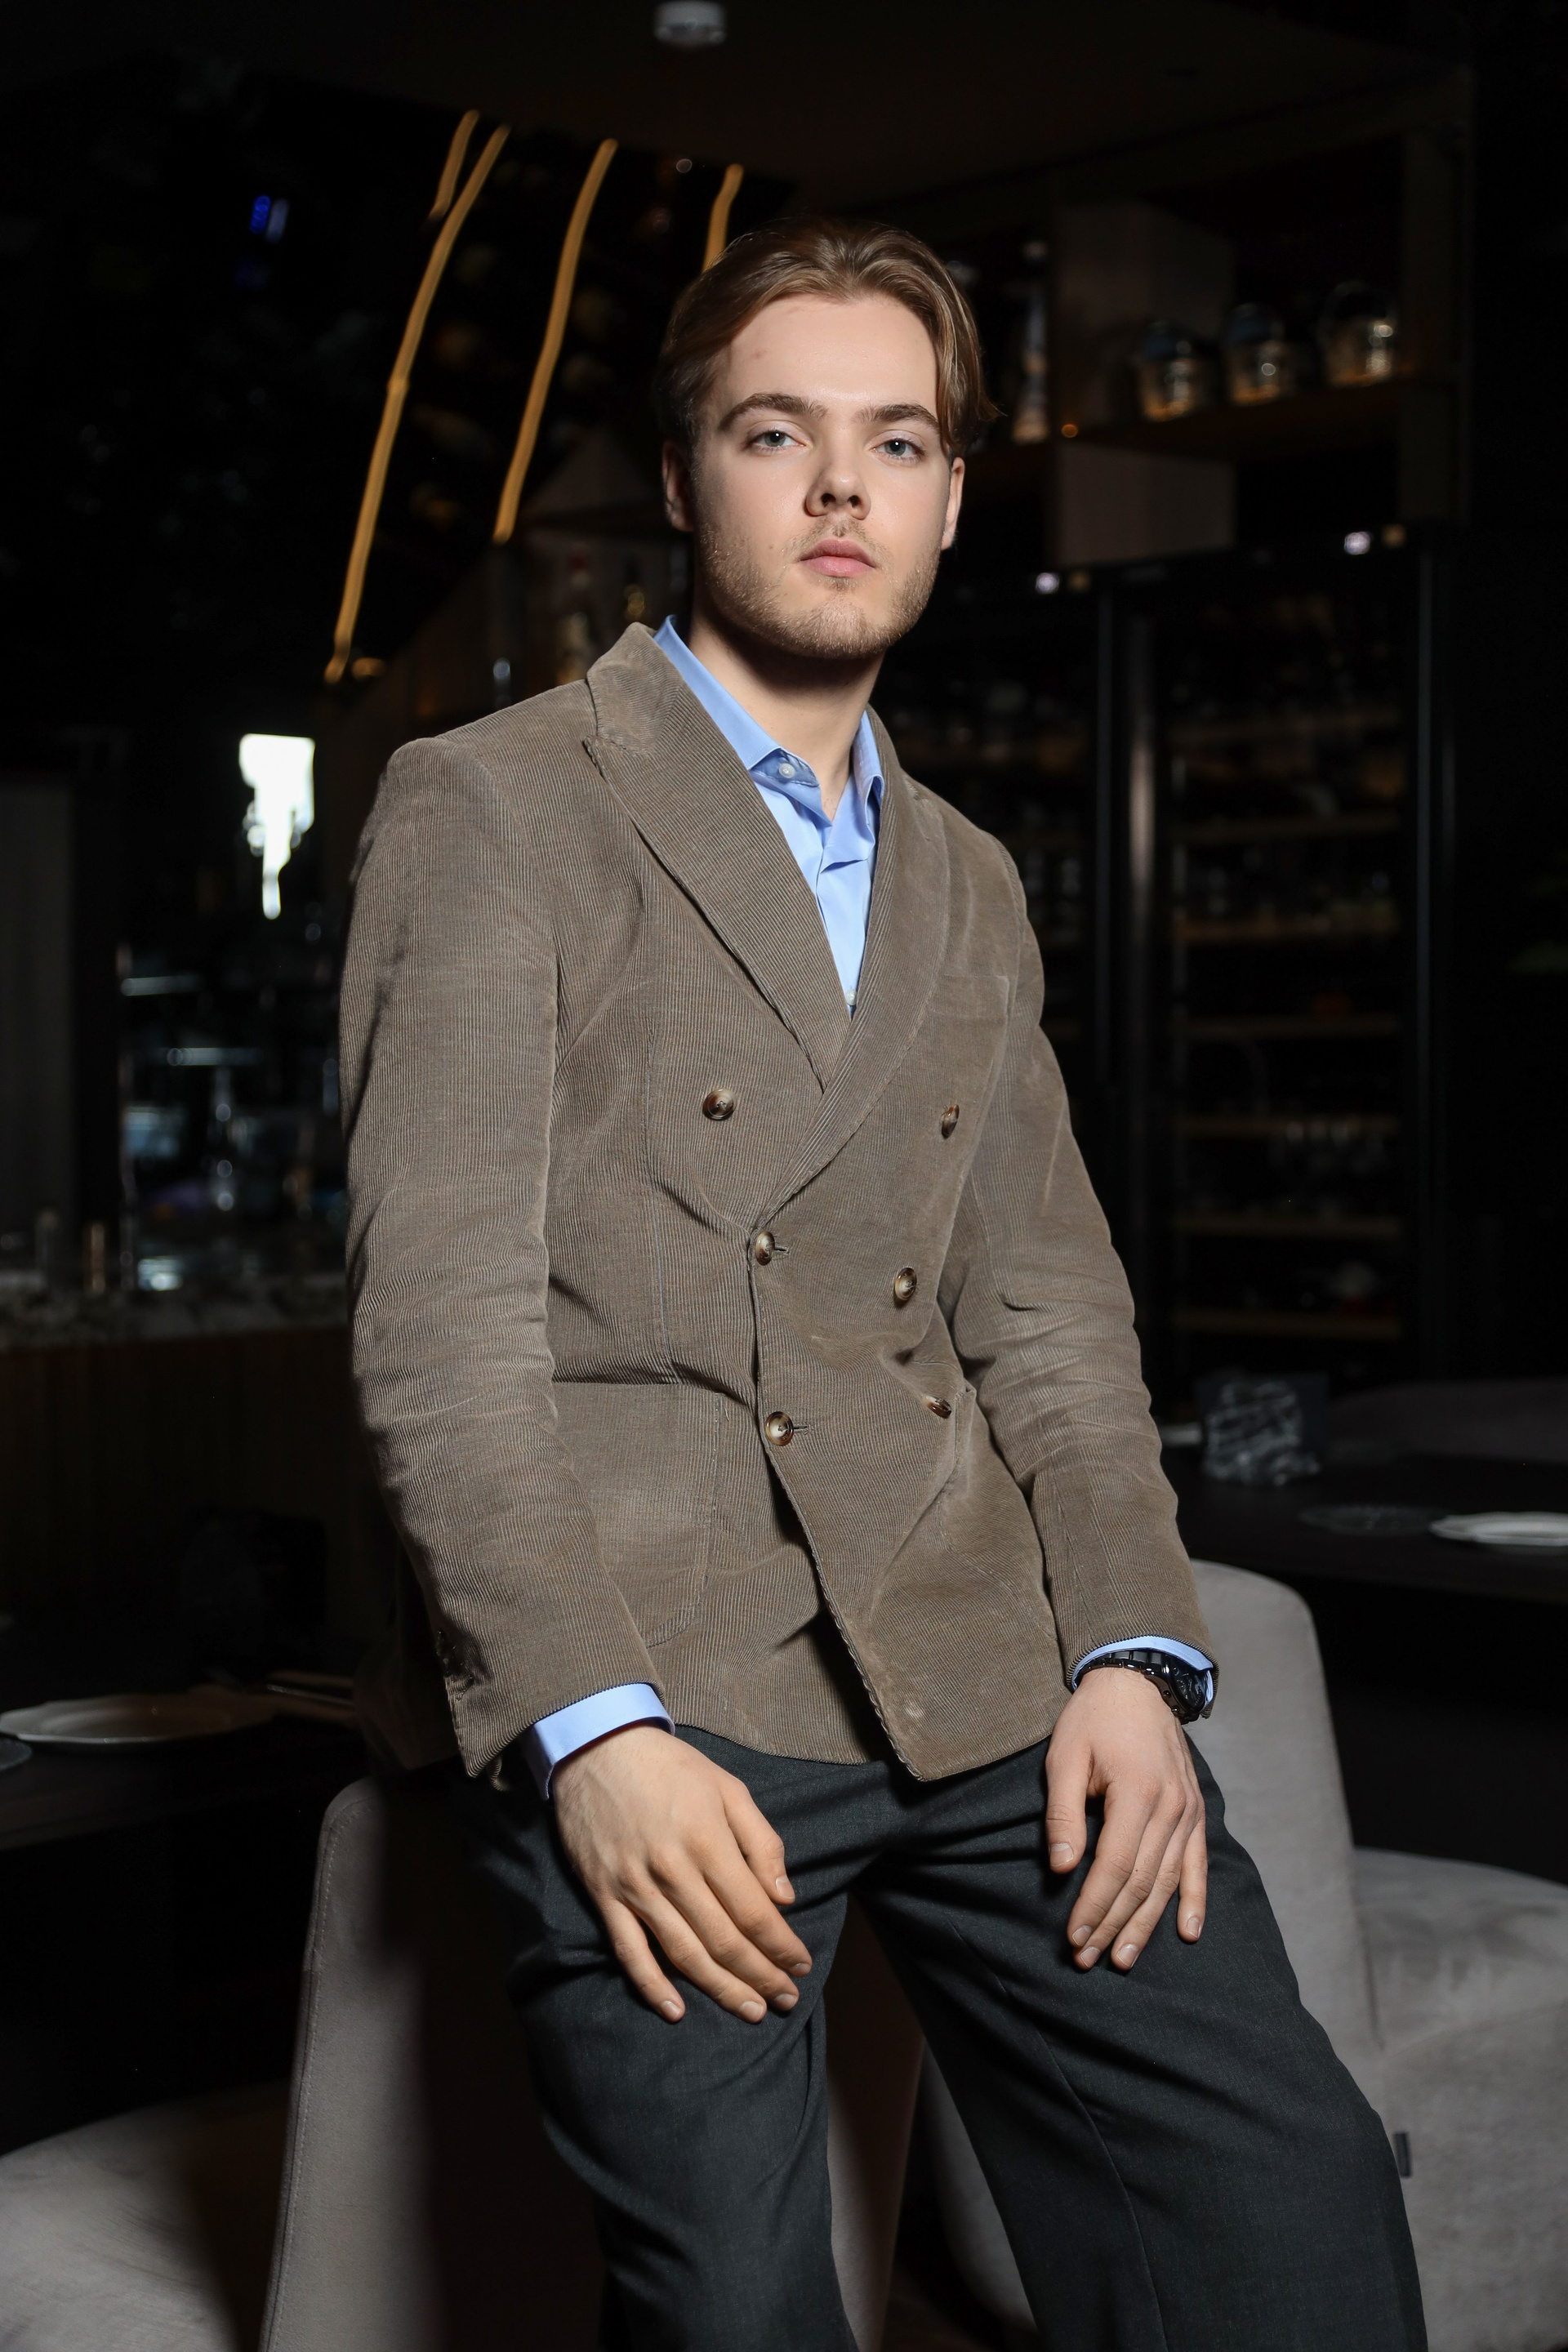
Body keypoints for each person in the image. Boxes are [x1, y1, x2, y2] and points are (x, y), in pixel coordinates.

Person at [341, 217, 1424, 2351]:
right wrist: (592, 1735)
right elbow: (438, 1346)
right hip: (659, 1674)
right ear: (684, 477)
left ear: (946, 493)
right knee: (741, 2307)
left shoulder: (968, 877)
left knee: (1288, 2220)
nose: (842, 486)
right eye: (778, 433)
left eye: (898, 440)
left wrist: (1132, 1653)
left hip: (980, 1652)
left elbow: (1051, 1321)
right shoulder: (492, 806)